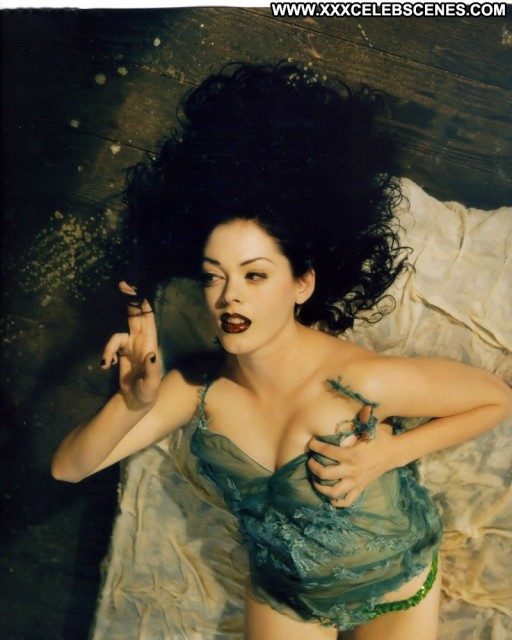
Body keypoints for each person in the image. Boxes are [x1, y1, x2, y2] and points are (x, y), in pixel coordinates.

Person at [51, 63, 512, 640]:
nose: (230, 295)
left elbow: (496, 399)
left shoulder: (357, 380)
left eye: (255, 274)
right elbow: (69, 469)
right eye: (214, 276)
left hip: (393, 578)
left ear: (302, 283)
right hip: (287, 594)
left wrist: (390, 453)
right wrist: (133, 402)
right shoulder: (194, 389)